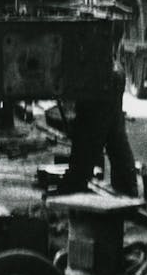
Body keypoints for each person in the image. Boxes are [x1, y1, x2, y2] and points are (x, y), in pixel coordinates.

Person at [57, 61, 140, 197]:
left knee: (89, 138)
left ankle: (75, 186)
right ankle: (127, 189)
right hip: (109, 73)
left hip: (99, 77)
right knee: (114, 136)